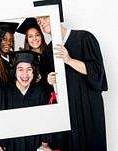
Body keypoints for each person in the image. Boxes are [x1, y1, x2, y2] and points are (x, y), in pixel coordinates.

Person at [35, 0, 108, 151]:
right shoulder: (48, 52)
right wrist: (49, 80)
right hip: (67, 111)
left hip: (88, 105)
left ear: (56, 15)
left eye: (44, 18)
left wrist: (69, 60)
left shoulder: (84, 38)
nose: (41, 23)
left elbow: (97, 72)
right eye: (38, 20)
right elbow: (49, 89)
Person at [0, 50, 52, 151]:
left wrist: (45, 144)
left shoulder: (39, 92)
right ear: (14, 71)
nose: (25, 75)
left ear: (34, 71)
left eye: (29, 69)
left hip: (33, 146)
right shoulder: (1, 91)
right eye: (20, 69)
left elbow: (46, 120)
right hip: (8, 147)